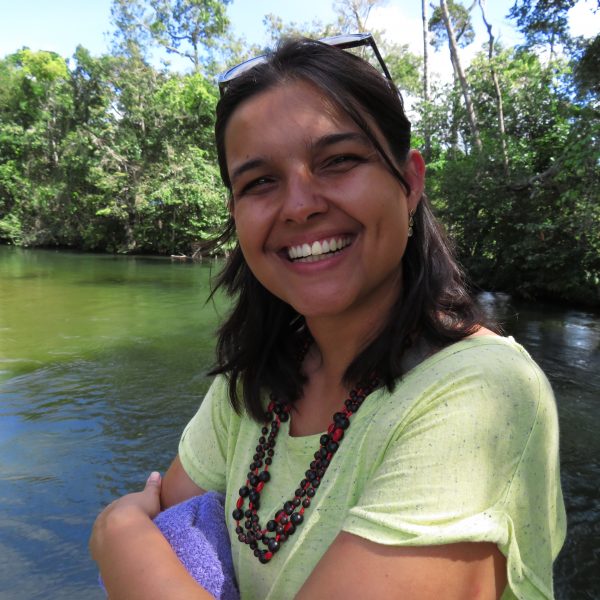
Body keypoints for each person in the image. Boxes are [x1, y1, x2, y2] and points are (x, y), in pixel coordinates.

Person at [90, 34, 566, 599]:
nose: (299, 205)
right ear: (237, 215)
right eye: (260, 182)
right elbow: (173, 513)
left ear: (410, 182)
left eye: (338, 161)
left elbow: (144, 533)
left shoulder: (485, 392)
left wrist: (117, 533)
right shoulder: (251, 385)